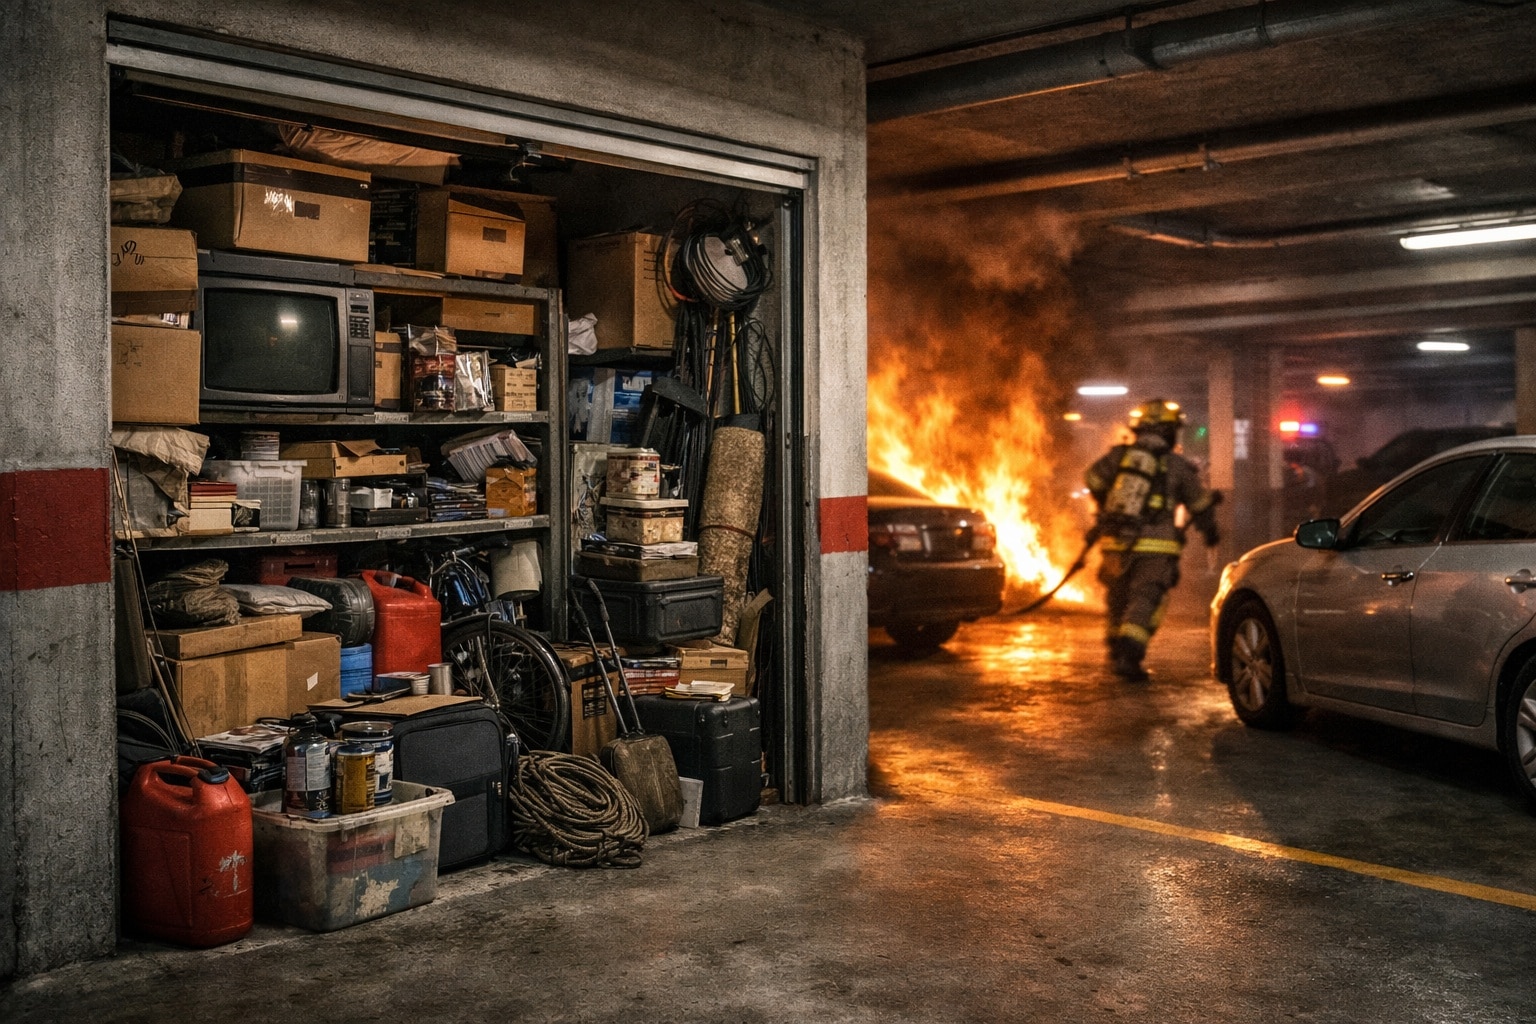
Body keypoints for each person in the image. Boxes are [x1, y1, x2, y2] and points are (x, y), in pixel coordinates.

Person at [1084, 398, 1221, 681]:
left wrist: (1106, 505)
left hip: (1114, 542)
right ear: (1170, 432)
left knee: (1118, 597)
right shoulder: (1176, 465)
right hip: (1156, 547)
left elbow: (1092, 479)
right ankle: (1129, 656)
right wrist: (1210, 533)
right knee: (1145, 598)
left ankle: (1114, 649)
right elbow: (1199, 504)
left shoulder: (1119, 457)